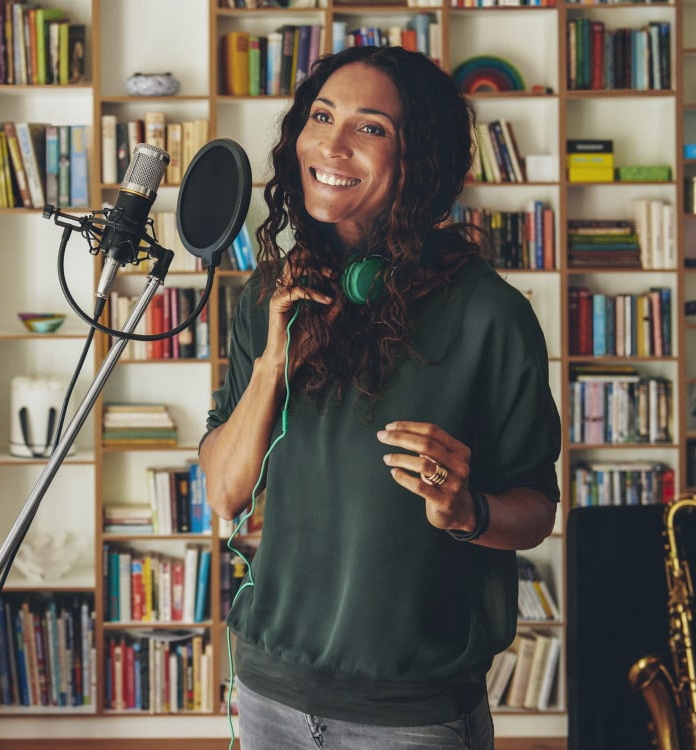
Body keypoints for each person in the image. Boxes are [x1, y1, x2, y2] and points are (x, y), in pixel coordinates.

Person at [198, 45, 561, 749]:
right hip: (269, 691)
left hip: (413, 713)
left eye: (370, 127)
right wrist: (274, 360)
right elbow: (224, 492)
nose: (331, 143)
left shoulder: (492, 317)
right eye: (321, 116)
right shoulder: (267, 299)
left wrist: (468, 509)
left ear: (416, 158)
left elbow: (535, 511)